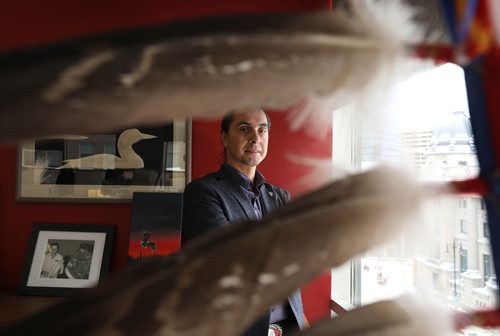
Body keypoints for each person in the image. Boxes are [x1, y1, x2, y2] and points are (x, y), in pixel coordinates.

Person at [182, 107, 306, 335]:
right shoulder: (202, 193)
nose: (255, 138)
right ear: (224, 138)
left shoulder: (279, 196)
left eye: (262, 130)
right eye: (244, 129)